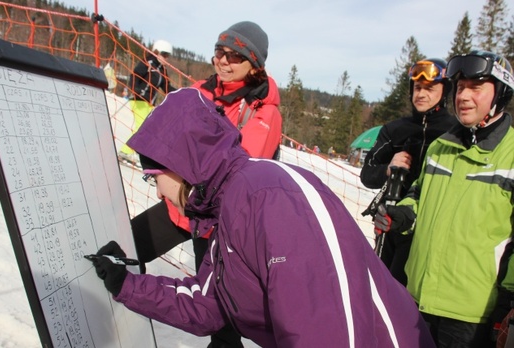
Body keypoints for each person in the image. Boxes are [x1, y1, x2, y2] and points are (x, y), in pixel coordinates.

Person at [90, 87, 435, 348]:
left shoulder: (269, 199)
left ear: (180, 163)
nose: (156, 191)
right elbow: (208, 302)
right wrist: (126, 284)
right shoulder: (226, 208)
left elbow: (327, 332)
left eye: (153, 177)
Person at [130, 21, 282, 348]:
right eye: (219, 53)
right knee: (129, 246)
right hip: (181, 208)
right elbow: (165, 137)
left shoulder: (263, 110)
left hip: (216, 226)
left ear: (254, 65)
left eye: (234, 56)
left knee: (220, 318)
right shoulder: (200, 90)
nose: (224, 62)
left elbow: (242, 170)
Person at [374, 50, 514, 347]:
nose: (463, 96)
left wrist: (509, 302)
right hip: (417, 300)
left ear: (500, 93)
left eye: (476, 88)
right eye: (461, 87)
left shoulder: (511, 155)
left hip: (470, 316)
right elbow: (418, 196)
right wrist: (403, 216)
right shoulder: (441, 147)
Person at [360, 58, 457, 286]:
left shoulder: (453, 132)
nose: (421, 94)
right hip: (390, 224)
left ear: (445, 92)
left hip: (429, 228)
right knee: (383, 288)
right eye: (417, 88)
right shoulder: (394, 130)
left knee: (412, 293)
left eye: (430, 88)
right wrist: (388, 168)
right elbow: (367, 175)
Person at [118, 39, 176, 167]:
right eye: (164, 54)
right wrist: (136, 90)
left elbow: (166, 87)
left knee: (148, 128)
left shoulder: (162, 70)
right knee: (142, 127)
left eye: (167, 56)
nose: (166, 58)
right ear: (156, 52)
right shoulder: (148, 63)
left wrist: (180, 93)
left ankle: (129, 151)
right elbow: (134, 76)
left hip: (149, 103)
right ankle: (125, 151)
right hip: (139, 99)